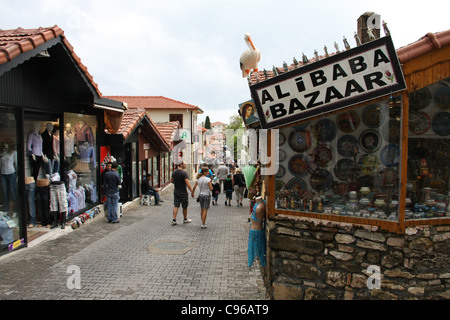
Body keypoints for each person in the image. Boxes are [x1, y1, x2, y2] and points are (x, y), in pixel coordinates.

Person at [248, 196, 266, 268]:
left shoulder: (259, 208)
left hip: (256, 230)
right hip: (255, 229)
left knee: (257, 247)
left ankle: (259, 259)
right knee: (255, 247)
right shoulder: (258, 204)